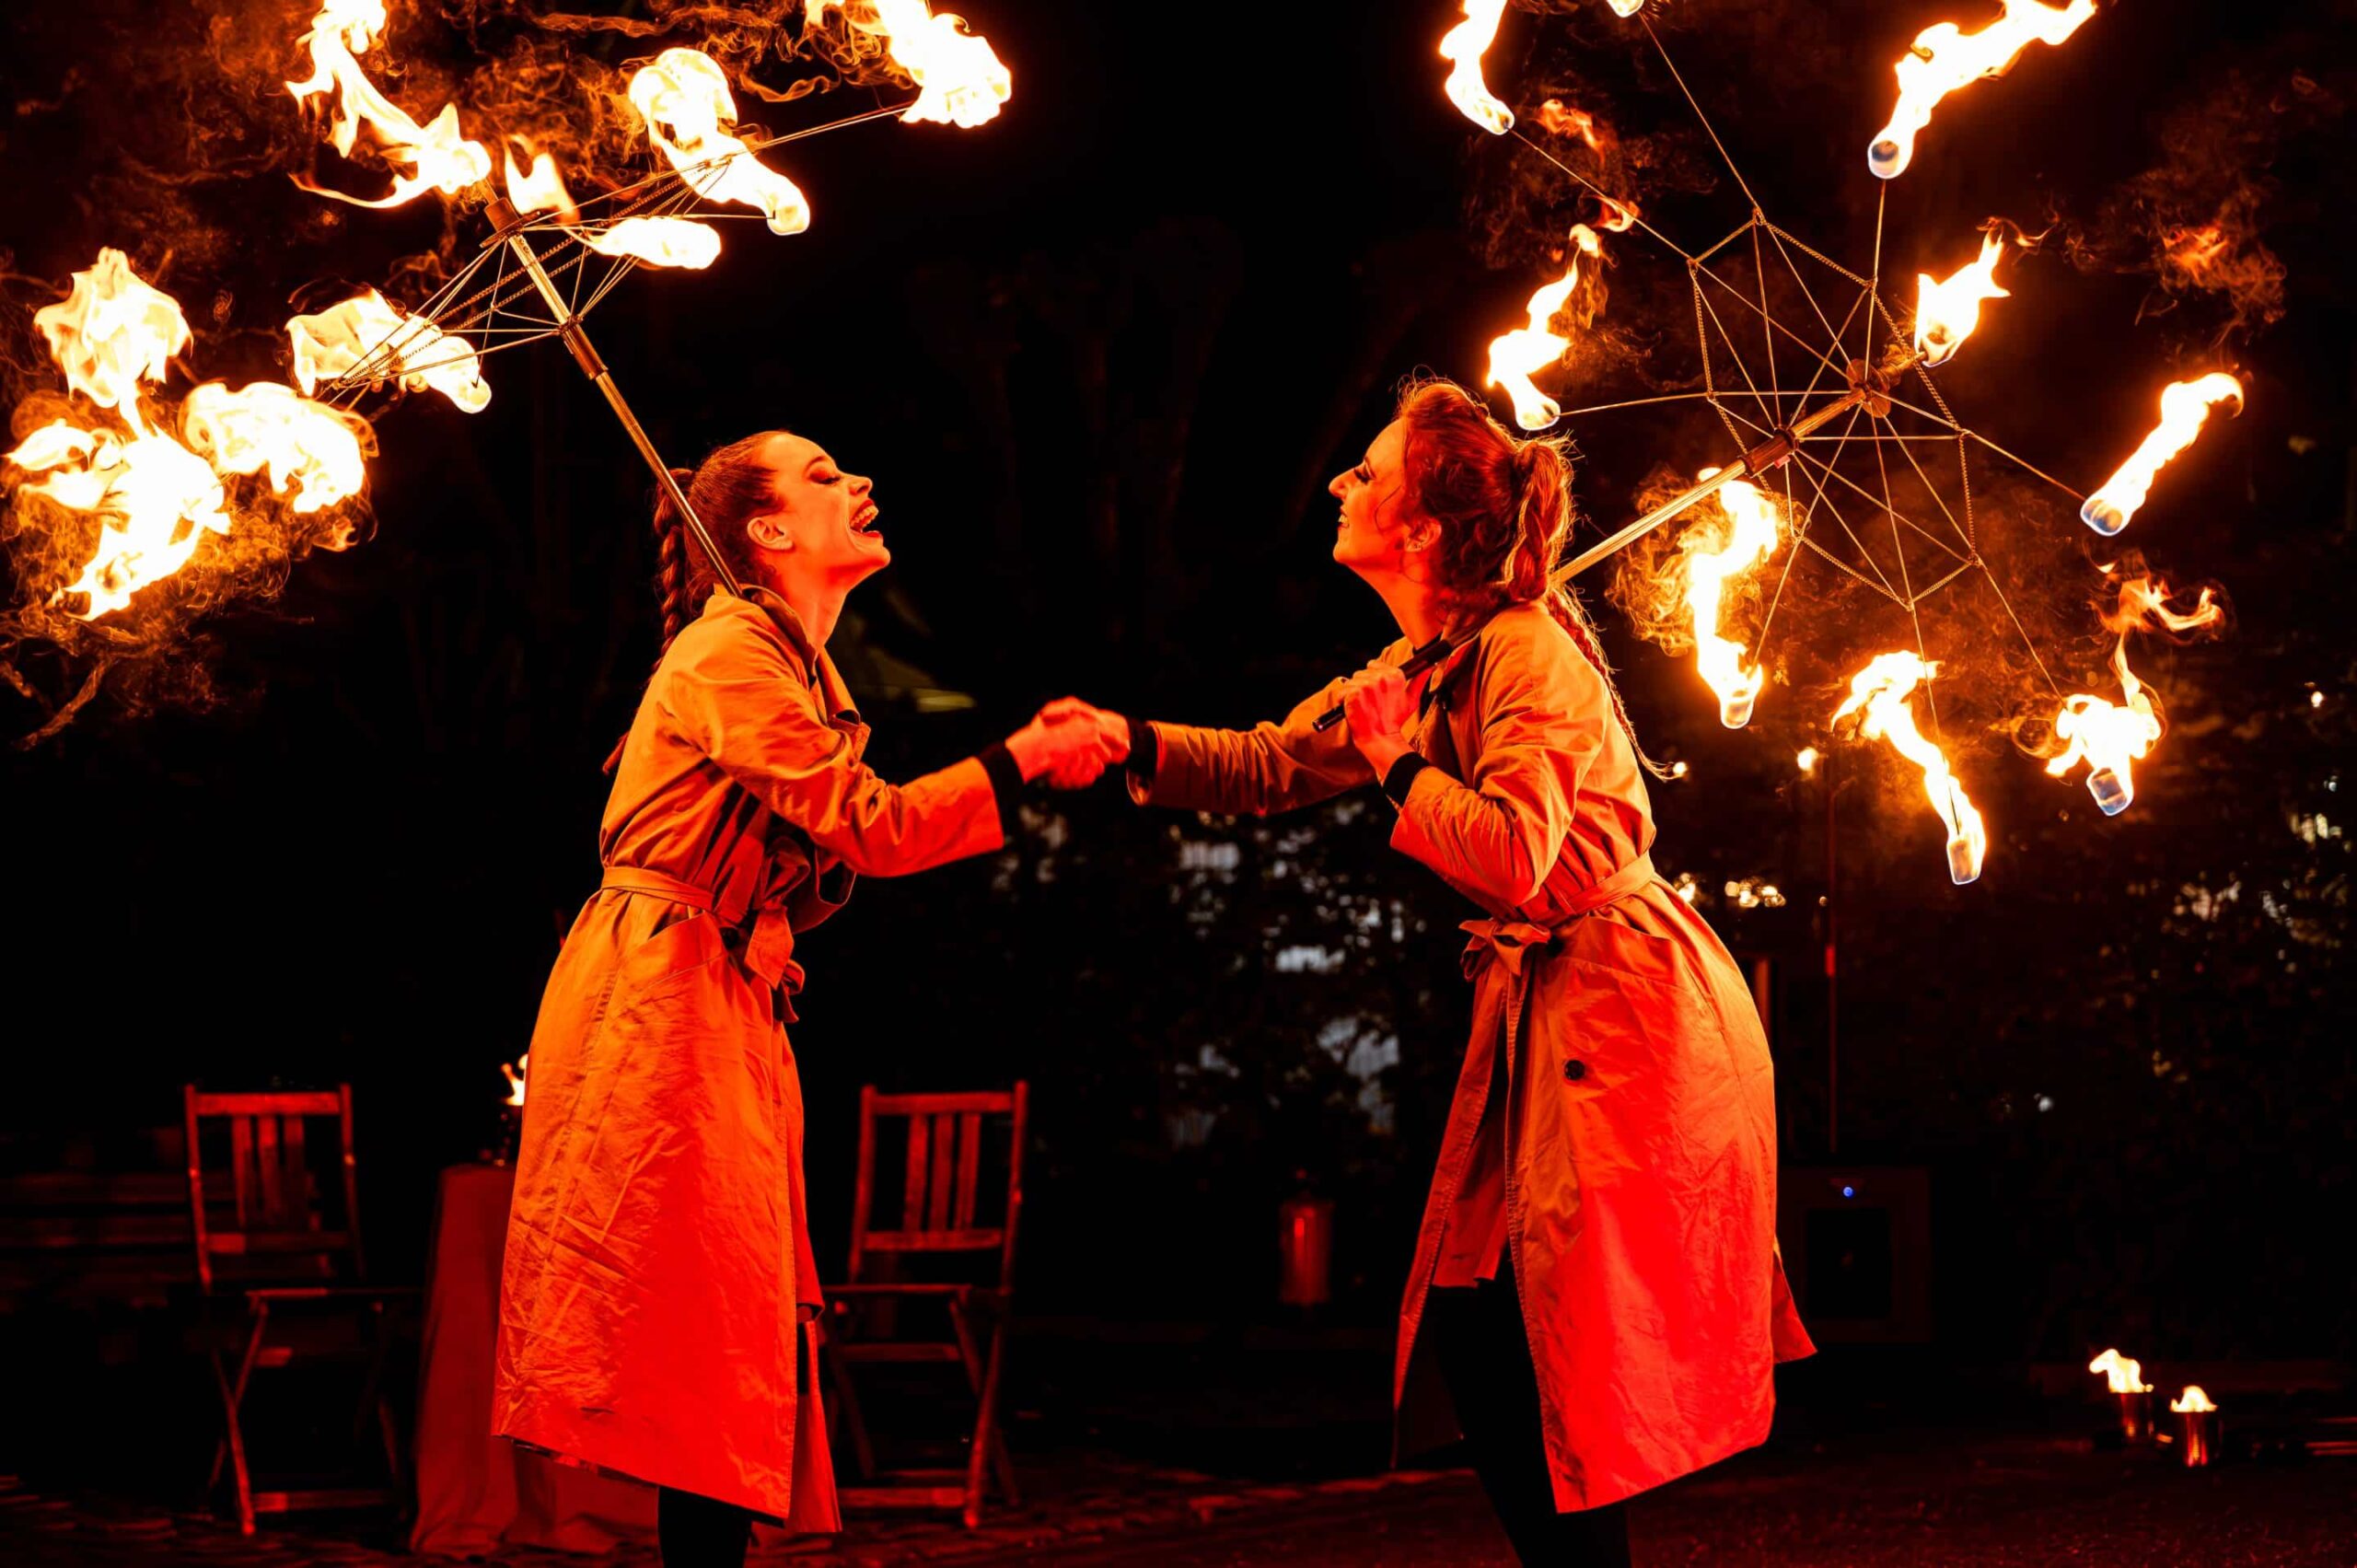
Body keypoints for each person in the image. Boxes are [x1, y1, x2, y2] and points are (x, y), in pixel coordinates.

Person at [1058, 378, 1813, 1565]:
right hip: (1552, 1002)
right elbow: (1270, 762)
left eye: (1365, 473)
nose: (1338, 482)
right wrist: (1127, 741)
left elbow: (1514, 854)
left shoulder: (1524, 653)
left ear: (1417, 529)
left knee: (1543, 1337)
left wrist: (1397, 761)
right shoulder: (1436, 652)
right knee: (1484, 1320)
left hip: (1627, 1007)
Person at [493, 429, 1116, 1568]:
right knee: (701, 1329)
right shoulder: (730, 648)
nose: (861, 481)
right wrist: (1020, 756)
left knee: (725, 1328)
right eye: (824, 475)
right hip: (660, 996)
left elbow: (821, 857)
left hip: (714, 987)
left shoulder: (787, 664)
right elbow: (872, 826)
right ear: (768, 528)